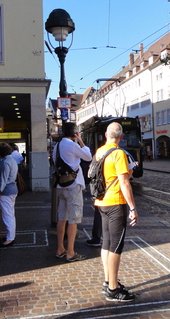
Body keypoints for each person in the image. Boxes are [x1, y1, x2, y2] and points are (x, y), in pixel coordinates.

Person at [93, 122, 138, 302]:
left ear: (106, 135)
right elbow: (124, 182)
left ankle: (108, 280)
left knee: (107, 243)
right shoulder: (118, 153)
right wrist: (133, 207)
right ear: (121, 136)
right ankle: (113, 288)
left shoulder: (100, 151)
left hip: (101, 202)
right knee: (116, 246)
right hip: (115, 203)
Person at [52, 122, 92, 262]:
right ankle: (70, 252)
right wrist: (81, 140)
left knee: (62, 218)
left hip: (61, 185)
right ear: (75, 133)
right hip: (73, 185)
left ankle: (60, 249)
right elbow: (88, 157)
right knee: (73, 220)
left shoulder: (57, 146)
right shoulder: (72, 145)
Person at [0, 142, 18, 246]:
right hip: (12, 190)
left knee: (7, 215)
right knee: (10, 214)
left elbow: (3, 179)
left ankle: (10, 237)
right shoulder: (12, 160)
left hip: (6, 192)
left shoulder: (5, 162)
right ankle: (11, 235)